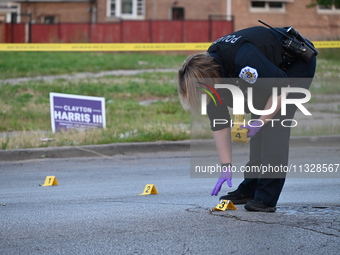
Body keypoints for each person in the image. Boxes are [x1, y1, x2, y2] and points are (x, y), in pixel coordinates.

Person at [177, 23, 317, 212]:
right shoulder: (211, 78)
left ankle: (266, 198)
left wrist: (261, 121)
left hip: (295, 64)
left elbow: (282, 86)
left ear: (211, 78)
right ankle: (250, 188)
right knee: (258, 129)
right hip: (269, 71)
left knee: (274, 127)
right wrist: (226, 166)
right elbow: (219, 124)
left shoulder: (243, 61)